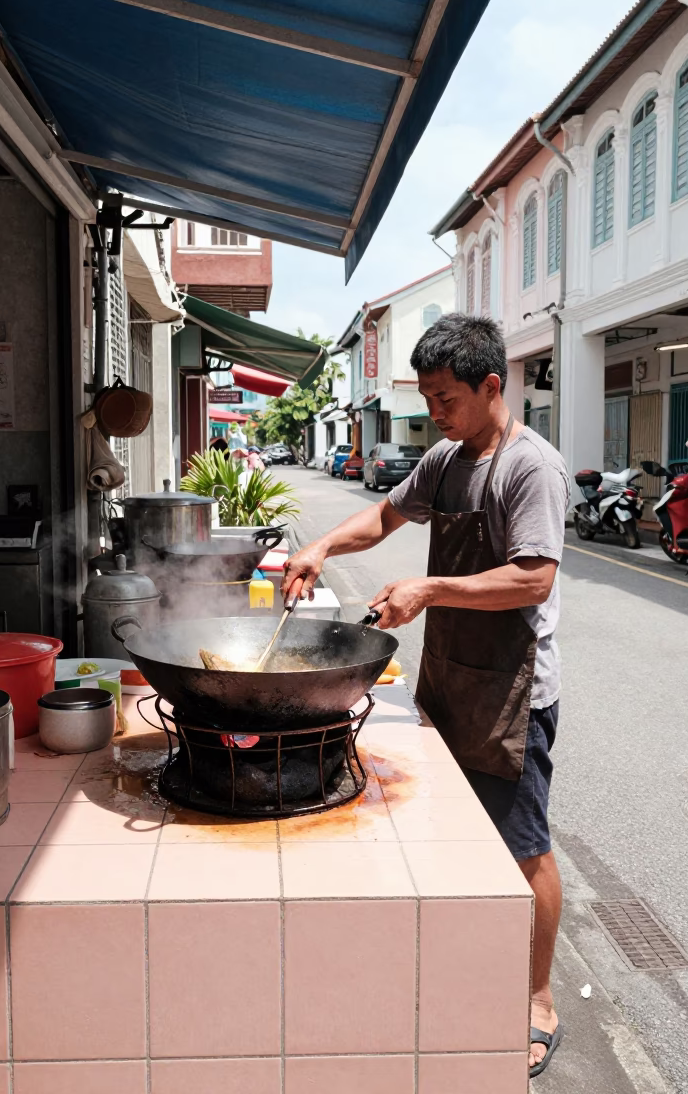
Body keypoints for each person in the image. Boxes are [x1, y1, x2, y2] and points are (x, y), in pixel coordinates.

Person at [281, 313, 569, 1078]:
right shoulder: (446, 459)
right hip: (448, 672)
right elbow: (383, 515)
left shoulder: (528, 468)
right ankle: (466, 955)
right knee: (453, 832)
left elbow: (534, 577)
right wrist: (319, 546)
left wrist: (431, 587)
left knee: (525, 847)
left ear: (491, 386)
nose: (433, 413)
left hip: (512, 690)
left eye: (444, 398)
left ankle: (538, 996)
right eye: (427, 398)